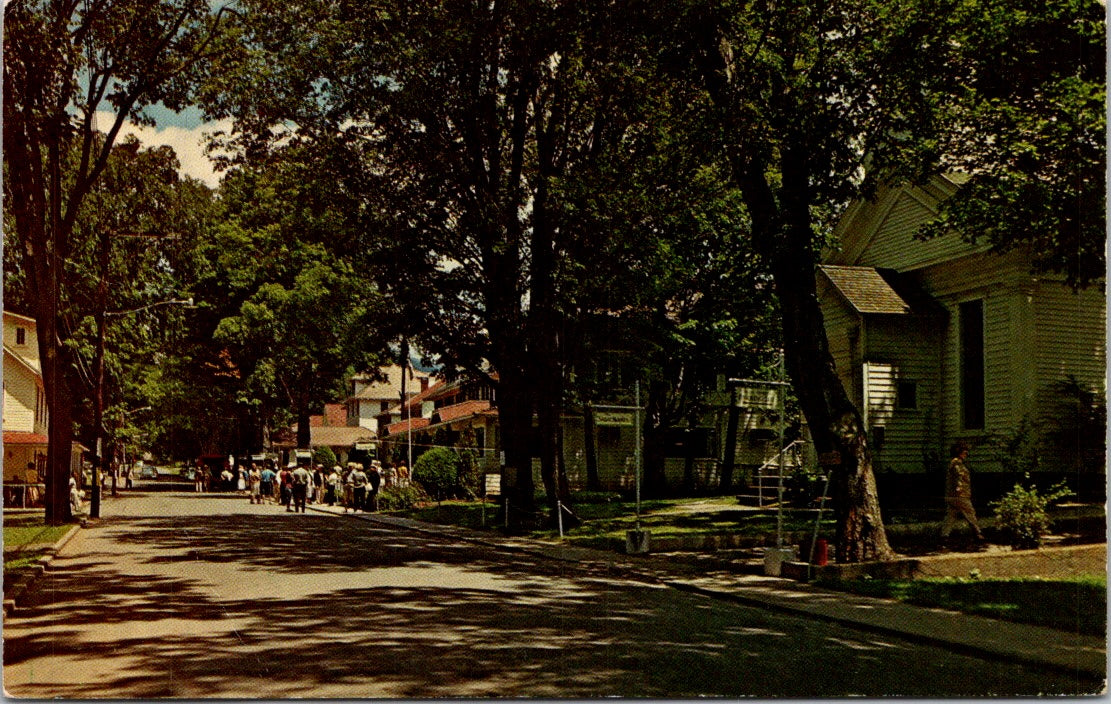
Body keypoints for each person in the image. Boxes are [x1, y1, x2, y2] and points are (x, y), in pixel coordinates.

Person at [940, 441, 985, 544]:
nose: (966, 454)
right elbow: (958, 475)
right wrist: (959, 487)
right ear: (959, 452)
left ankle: (944, 535)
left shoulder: (953, 462)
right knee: (970, 512)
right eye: (964, 451)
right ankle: (978, 533)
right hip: (960, 495)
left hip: (951, 495)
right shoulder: (957, 463)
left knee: (951, 516)